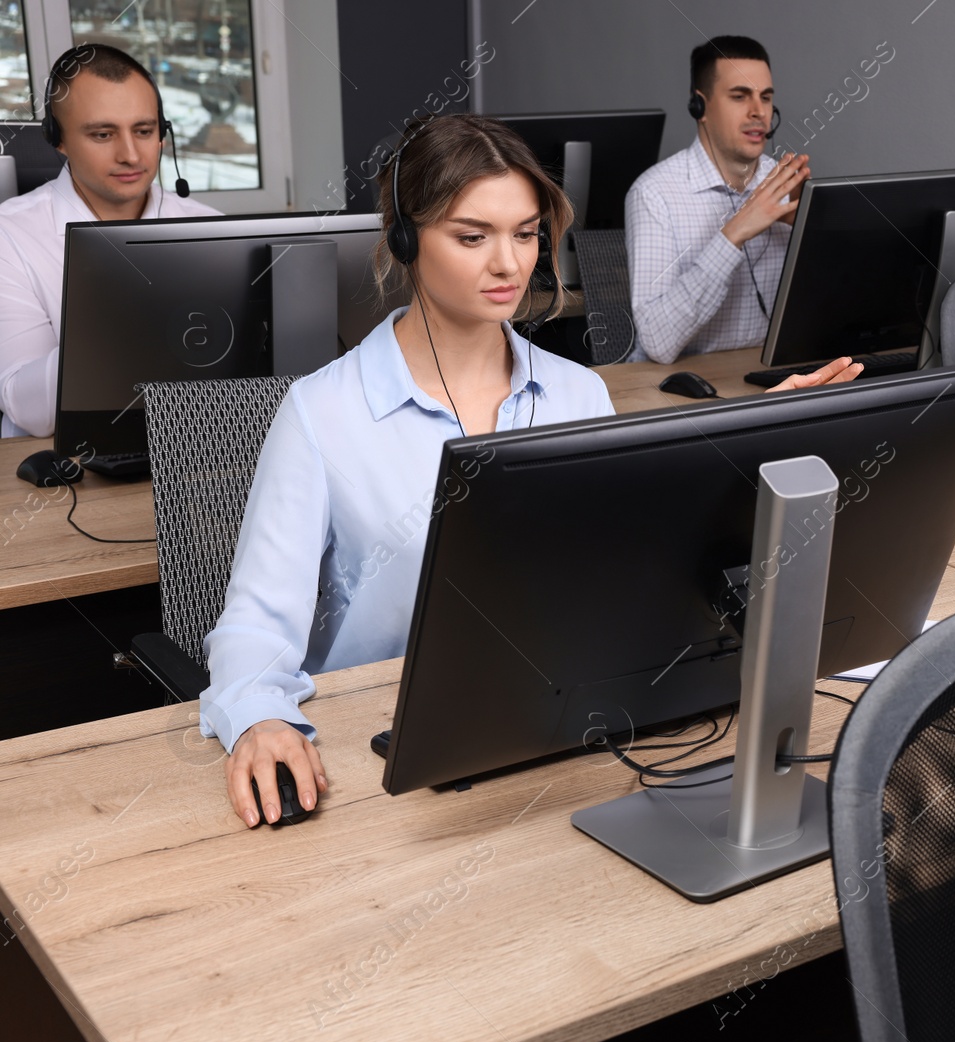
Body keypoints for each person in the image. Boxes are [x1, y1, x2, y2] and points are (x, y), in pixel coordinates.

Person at [201, 114, 857, 828]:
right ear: (404, 238)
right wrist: (262, 719)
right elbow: (255, 627)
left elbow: (632, 571)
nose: (510, 264)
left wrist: (751, 447)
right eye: (472, 236)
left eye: (525, 233)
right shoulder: (321, 412)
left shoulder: (578, 392)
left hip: (555, 731)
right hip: (384, 760)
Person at [0, 43, 219, 438]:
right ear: (58, 139)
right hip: (63, 472)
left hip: (195, 445)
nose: (131, 155)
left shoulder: (211, 227)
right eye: (103, 134)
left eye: (144, 131)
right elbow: (28, 409)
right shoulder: (9, 235)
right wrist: (131, 316)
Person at [625, 35, 809, 363]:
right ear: (701, 106)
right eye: (740, 96)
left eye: (765, 98)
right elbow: (657, 342)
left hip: (769, 378)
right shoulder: (654, 193)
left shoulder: (786, 183)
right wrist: (734, 234)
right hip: (679, 387)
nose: (758, 112)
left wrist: (807, 230)